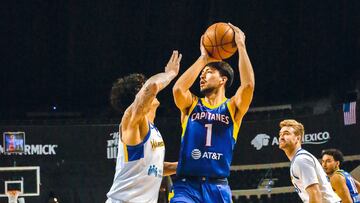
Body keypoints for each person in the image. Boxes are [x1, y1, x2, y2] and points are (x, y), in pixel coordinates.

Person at [171, 23, 255, 203]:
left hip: (218, 187)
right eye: (202, 74)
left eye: (208, 72)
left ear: (222, 80)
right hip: (186, 187)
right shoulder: (191, 104)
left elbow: (248, 86)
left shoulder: (233, 107)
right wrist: (203, 59)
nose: (201, 76)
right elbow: (178, 89)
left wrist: (241, 45)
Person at [106, 51, 181, 203]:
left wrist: (184, 166)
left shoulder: (152, 129)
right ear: (138, 94)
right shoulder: (131, 121)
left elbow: (152, 167)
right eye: (143, 86)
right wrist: (171, 73)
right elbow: (152, 86)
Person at [278, 119, 341, 203]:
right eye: (280, 134)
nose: (281, 137)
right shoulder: (299, 158)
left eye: (286, 134)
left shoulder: (301, 160)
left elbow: (315, 194)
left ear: (297, 138)